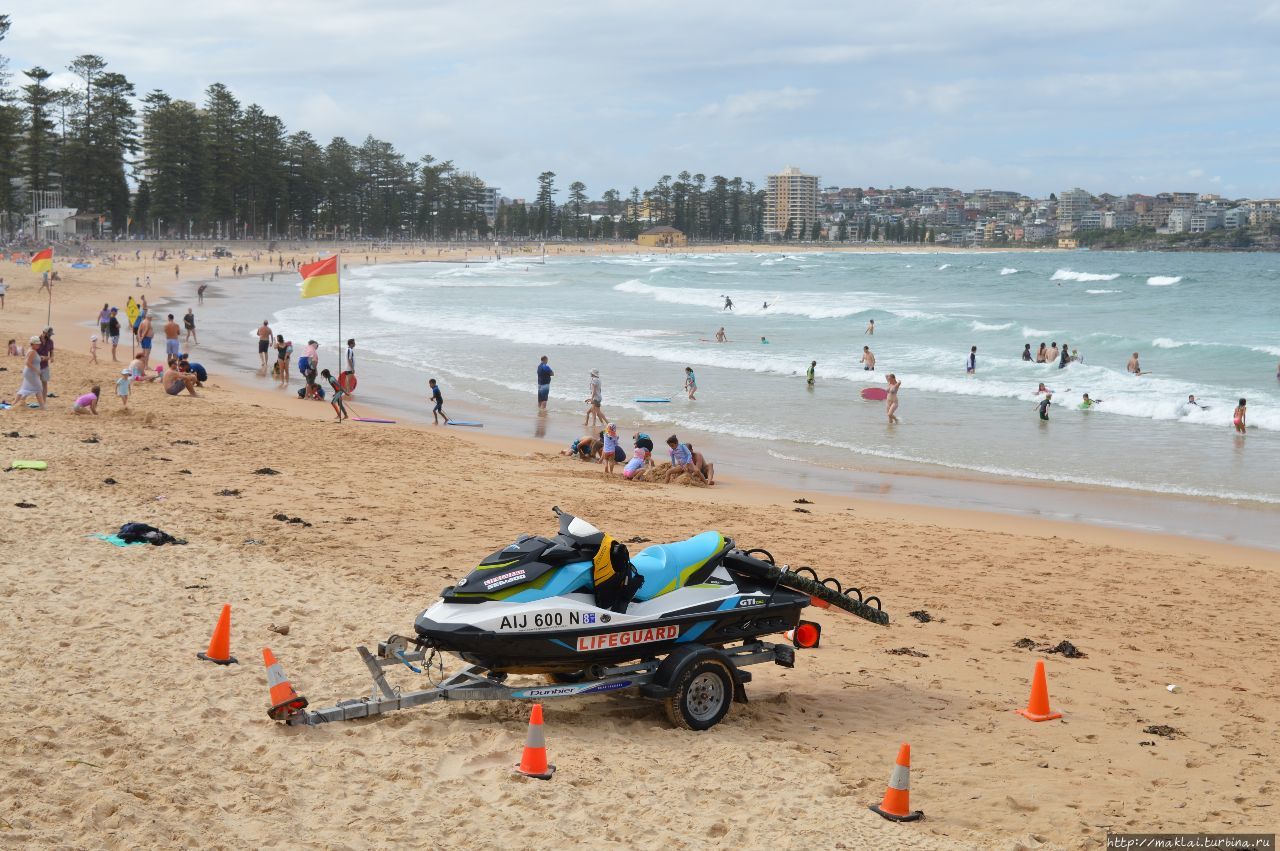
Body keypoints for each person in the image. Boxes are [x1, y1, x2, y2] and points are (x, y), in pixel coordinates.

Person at [12, 337, 44, 408]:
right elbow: (27, 363)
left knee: (25, 388)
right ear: (32, 344)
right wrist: (37, 370)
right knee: (38, 388)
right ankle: (42, 406)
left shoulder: (31, 350)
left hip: (29, 373)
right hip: (31, 373)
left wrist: (40, 358)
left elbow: (32, 360)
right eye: (37, 344)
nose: (39, 345)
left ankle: (15, 403)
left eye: (39, 344)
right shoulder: (32, 351)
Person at [36, 328, 54, 399]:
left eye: (50, 335)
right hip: (35, 366)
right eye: (49, 334)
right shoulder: (36, 340)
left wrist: (52, 357)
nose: (50, 336)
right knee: (36, 384)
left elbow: (51, 351)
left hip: (45, 366)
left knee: (44, 384)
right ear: (44, 333)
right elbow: (32, 351)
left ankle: (43, 401)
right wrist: (41, 357)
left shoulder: (50, 341)